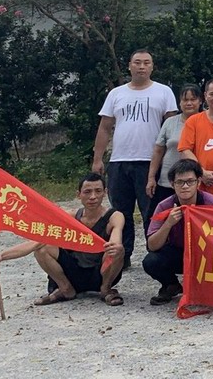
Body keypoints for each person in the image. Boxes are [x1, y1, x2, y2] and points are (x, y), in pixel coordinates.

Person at [90, 49, 178, 266]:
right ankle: (123, 255)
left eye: (146, 63)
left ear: (152, 67)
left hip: (150, 162)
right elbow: (105, 127)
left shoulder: (164, 92)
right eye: (137, 62)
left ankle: (154, 254)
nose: (141, 67)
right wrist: (98, 158)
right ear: (129, 66)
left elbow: (173, 127)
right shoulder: (116, 93)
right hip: (119, 161)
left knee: (151, 210)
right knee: (121, 211)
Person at [0, 172, 126, 307]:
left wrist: (117, 248)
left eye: (98, 191)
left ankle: (106, 289)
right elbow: (36, 242)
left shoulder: (114, 216)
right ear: (78, 195)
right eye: (87, 192)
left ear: (105, 192)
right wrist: (1, 256)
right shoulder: (71, 217)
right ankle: (66, 289)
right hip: (74, 272)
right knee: (43, 248)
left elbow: (115, 242)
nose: (93, 197)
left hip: (101, 272)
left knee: (116, 250)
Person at [144, 159, 213, 305]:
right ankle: (171, 285)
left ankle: (208, 288)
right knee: (151, 261)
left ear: (198, 182)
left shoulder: (211, 203)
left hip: (204, 254)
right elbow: (152, 245)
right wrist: (168, 224)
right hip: (178, 252)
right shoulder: (164, 206)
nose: (185, 186)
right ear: (172, 184)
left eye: (190, 181)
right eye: (180, 182)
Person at [146, 84, 202, 225]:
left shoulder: (206, 121)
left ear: (200, 101)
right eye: (185, 100)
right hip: (168, 181)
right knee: (161, 220)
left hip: (194, 182)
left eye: (193, 99)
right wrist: (151, 177)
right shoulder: (170, 122)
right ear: (179, 102)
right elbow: (158, 150)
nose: (189, 103)